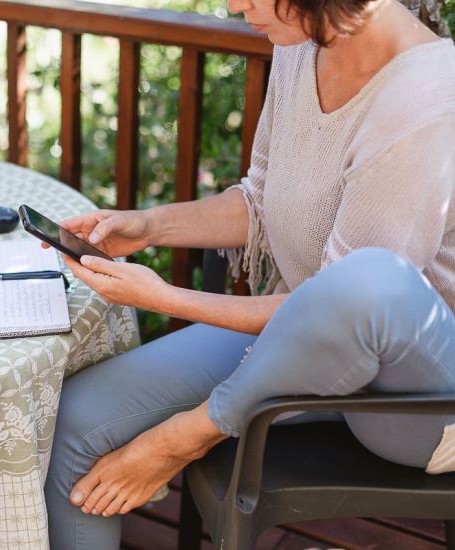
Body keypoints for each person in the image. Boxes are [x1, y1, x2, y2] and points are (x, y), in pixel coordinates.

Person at [43, 0, 455, 548]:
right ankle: (195, 428)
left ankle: (186, 436)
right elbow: (262, 199)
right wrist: (148, 227)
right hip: (294, 344)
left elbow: (343, 305)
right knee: (77, 420)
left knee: (368, 279)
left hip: (416, 400)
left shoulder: (426, 97)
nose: (236, 5)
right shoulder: (302, 43)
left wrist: (166, 298)